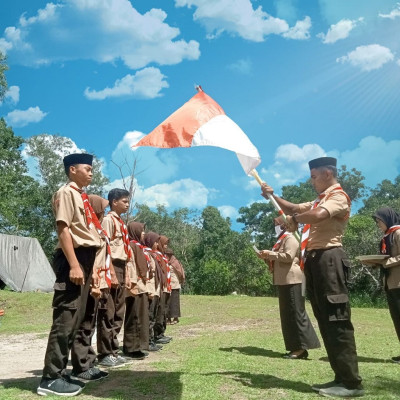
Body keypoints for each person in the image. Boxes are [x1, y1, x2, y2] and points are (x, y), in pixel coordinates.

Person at [261, 157, 363, 398]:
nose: (311, 180)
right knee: (326, 319)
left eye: (314, 176)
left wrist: (294, 221)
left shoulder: (338, 197)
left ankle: (351, 383)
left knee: (336, 319)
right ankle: (341, 378)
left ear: (328, 173)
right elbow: (295, 208)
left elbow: (316, 216)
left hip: (330, 259)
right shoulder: (320, 199)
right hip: (315, 261)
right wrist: (272, 197)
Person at [37, 153, 103, 396]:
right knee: (65, 319)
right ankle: (50, 379)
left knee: (76, 319)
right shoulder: (66, 193)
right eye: (87, 168)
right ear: (72, 169)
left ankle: (62, 372)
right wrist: (74, 265)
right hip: (72, 258)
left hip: (85, 259)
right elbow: (63, 229)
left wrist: (91, 269)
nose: (91, 172)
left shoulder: (81, 196)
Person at [257, 216, 320, 359]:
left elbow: (288, 256)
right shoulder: (281, 240)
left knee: (295, 313)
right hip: (285, 280)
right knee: (288, 316)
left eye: (277, 224)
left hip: (293, 280)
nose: (275, 227)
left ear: (284, 225)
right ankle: (295, 347)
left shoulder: (290, 238)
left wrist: (270, 253)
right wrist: (266, 256)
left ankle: (301, 348)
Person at [70, 195, 110, 382]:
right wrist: (95, 282)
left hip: (98, 278)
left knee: (90, 323)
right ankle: (80, 365)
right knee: (83, 322)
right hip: (92, 278)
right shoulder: (88, 230)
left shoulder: (98, 229)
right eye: (102, 209)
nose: (104, 212)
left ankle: (89, 361)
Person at [97, 188, 135, 367]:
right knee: (108, 311)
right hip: (111, 266)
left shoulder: (121, 222)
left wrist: (126, 274)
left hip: (121, 267)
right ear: (114, 202)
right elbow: (105, 248)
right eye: (124, 201)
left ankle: (113, 349)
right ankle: (105, 353)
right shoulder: (108, 220)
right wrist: (111, 272)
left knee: (119, 311)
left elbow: (124, 251)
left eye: (128, 201)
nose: (127, 204)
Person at [363, 207, 400, 363]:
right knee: (397, 319)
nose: (378, 224)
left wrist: (385, 263)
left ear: (387, 219)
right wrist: (375, 263)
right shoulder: (387, 236)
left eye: (379, 221)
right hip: (390, 283)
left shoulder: (398, 233)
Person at [123, 221, 151, 359]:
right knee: (134, 317)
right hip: (135, 287)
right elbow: (129, 266)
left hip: (142, 286)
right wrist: (132, 284)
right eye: (142, 231)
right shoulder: (131, 246)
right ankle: (131, 348)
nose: (144, 234)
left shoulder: (139, 247)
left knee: (141, 317)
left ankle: (138, 346)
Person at [165, 247, 185, 325]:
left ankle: (176, 318)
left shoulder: (175, 263)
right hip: (167, 284)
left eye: (167, 255)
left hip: (174, 284)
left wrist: (180, 281)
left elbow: (180, 272)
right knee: (168, 302)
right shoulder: (166, 262)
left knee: (175, 302)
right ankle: (168, 318)